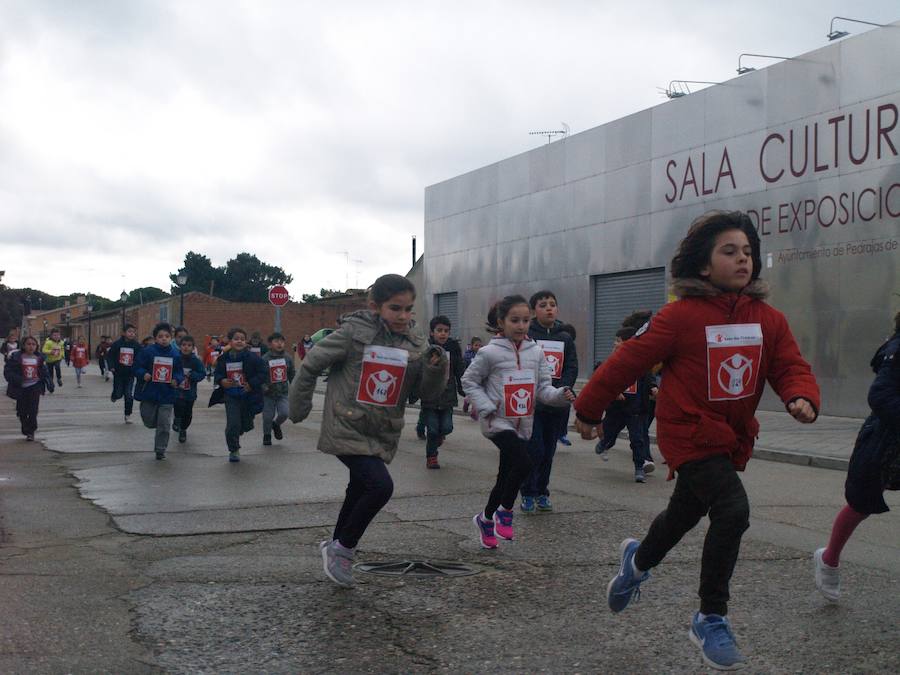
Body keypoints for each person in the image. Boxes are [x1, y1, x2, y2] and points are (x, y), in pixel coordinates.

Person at [574, 210, 820, 671]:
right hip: (688, 433)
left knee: (685, 513)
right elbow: (627, 361)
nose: (743, 259)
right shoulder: (679, 317)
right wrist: (589, 408)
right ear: (703, 266)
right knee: (732, 510)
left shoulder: (769, 319)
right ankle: (710, 617)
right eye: (730, 251)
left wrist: (800, 395)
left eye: (748, 252)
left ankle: (637, 561)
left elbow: (790, 366)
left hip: (730, 437)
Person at [288, 274, 446, 586]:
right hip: (346, 423)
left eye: (408, 309)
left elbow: (426, 393)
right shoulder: (352, 333)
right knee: (380, 487)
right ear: (375, 306)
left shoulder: (415, 342)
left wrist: (436, 366)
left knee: (359, 488)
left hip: (381, 429)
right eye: (395, 308)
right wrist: (299, 407)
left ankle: (334, 544)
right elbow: (311, 364)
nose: (403, 316)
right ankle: (344, 550)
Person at [461, 295, 575, 549]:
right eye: (515, 320)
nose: (521, 326)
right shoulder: (489, 353)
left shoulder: (536, 352)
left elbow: (544, 389)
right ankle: (505, 510)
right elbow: (468, 380)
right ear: (501, 322)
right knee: (525, 462)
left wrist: (561, 395)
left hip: (523, 422)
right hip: (497, 421)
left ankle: (486, 518)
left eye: (525, 320)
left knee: (505, 477)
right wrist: (486, 406)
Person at [815, 312, 900, 602]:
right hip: (886, 439)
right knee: (860, 502)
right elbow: (880, 395)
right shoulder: (896, 351)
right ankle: (829, 560)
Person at [520, 290, 579, 513]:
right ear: (534, 310)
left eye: (552, 304)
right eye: (543, 304)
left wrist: (562, 388)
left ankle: (542, 492)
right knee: (534, 449)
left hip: (557, 404)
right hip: (532, 403)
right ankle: (527, 492)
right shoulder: (527, 336)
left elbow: (571, 366)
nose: (549, 308)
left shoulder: (564, 337)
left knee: (548, 451)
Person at [593, 327, 657, 482]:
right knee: (609, 433)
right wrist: (614, 392)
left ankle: (639, 468)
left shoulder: (641, 362)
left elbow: (648, 378)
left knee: (637, 439)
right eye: (615, 340)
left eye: (619, 341)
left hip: (635, 409)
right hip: (616, 409)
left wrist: (653, 388)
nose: (615, 344)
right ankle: (604, 444)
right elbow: (602, 377)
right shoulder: (611, 361)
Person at [210, 327, 266, 462]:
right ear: (230, 341)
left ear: (246, 342)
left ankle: (241, 427)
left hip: (248, 396)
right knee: (232, 425)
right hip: (231, 396)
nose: (239, 341)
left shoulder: (253, 358)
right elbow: (217, 373)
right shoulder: (224, 359)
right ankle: (234, 449)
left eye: (242, 339)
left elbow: (263, 373)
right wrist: (222, 380)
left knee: (245, 424)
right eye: (236, 339)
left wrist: (251, 384)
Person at [419, 315, 465, 469]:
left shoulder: (453, 348)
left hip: (447, 395)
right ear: (432, 332)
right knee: (431, 429)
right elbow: (419, 371)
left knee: (447, 427)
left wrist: (461, 386)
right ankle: (431, 457)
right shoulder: (426, 348)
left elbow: (459, 369)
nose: (443, 334)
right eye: (439, 330)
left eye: (446, 331)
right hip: (430, 397)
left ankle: (440, 435)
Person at [133, 322, 183, 460]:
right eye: (160, 336)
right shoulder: (148, 352)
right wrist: (144, 374)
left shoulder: (175, 354)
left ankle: (160, 449)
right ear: (155, 338)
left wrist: (176, 380)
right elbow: (137, 366)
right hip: (149, 393)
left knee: (164, 424)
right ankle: (155, 424)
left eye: (167, 336)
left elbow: (179, 372)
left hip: (167, 394)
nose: (164, 339)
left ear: (171, 338)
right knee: (148, 420)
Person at [4, 335, 53, 441]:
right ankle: (25, 426)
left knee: (33, 410)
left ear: (37, 346)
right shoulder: (16, 357)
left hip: (35, 386)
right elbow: (8, 372)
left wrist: (49, 382)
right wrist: (18, 379)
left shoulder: (39, 358)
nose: (31, 346)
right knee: (22, 411)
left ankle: (31, 431)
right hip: (21, 388)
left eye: (33, 344)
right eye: (28, 344)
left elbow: (44, 372)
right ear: (23, 345)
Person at [261, 332, 296, 446]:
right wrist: (263, 387)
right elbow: (259, 376)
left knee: (284, 413)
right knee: (267, 416)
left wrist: (295, 386)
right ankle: (267, 435)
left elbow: (292, 374)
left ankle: (276, 424)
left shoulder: (288, 358)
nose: (279, 343)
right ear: (270, 344)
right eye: (276, 341)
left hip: (282, 393)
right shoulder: (264, 359)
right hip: (268, 393)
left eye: (281, 341)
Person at [173, 335, 206, 444]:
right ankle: (176, 420)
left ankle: (183, 429)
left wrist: (192, 375)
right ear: (179, 346)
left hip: (190, 392)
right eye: (183, 345)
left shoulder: (195, 361)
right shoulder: (176, 358)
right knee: (178, 407)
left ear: (193, 348)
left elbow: (202, 374)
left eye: (189, 345)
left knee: (187, 413)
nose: (186, 347)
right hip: (177, 391)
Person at [107, 324, 141, 423]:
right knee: (118, 393)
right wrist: (111, 366)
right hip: (118, 373)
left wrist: (138, 368)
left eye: (133, 332)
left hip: (130, 374)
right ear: (124, 333)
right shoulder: (117, 344)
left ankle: (128, 414)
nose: (131, 334)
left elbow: (140, 358)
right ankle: (114, 396)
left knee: (128, 395)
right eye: (129, 331)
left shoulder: (136, 345)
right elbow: (110, 356)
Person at [556, 323, 577, 447]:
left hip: (563, 384)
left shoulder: (570, 349)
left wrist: (566, 384)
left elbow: (572, 367)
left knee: (564, 407)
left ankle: (562, 433)